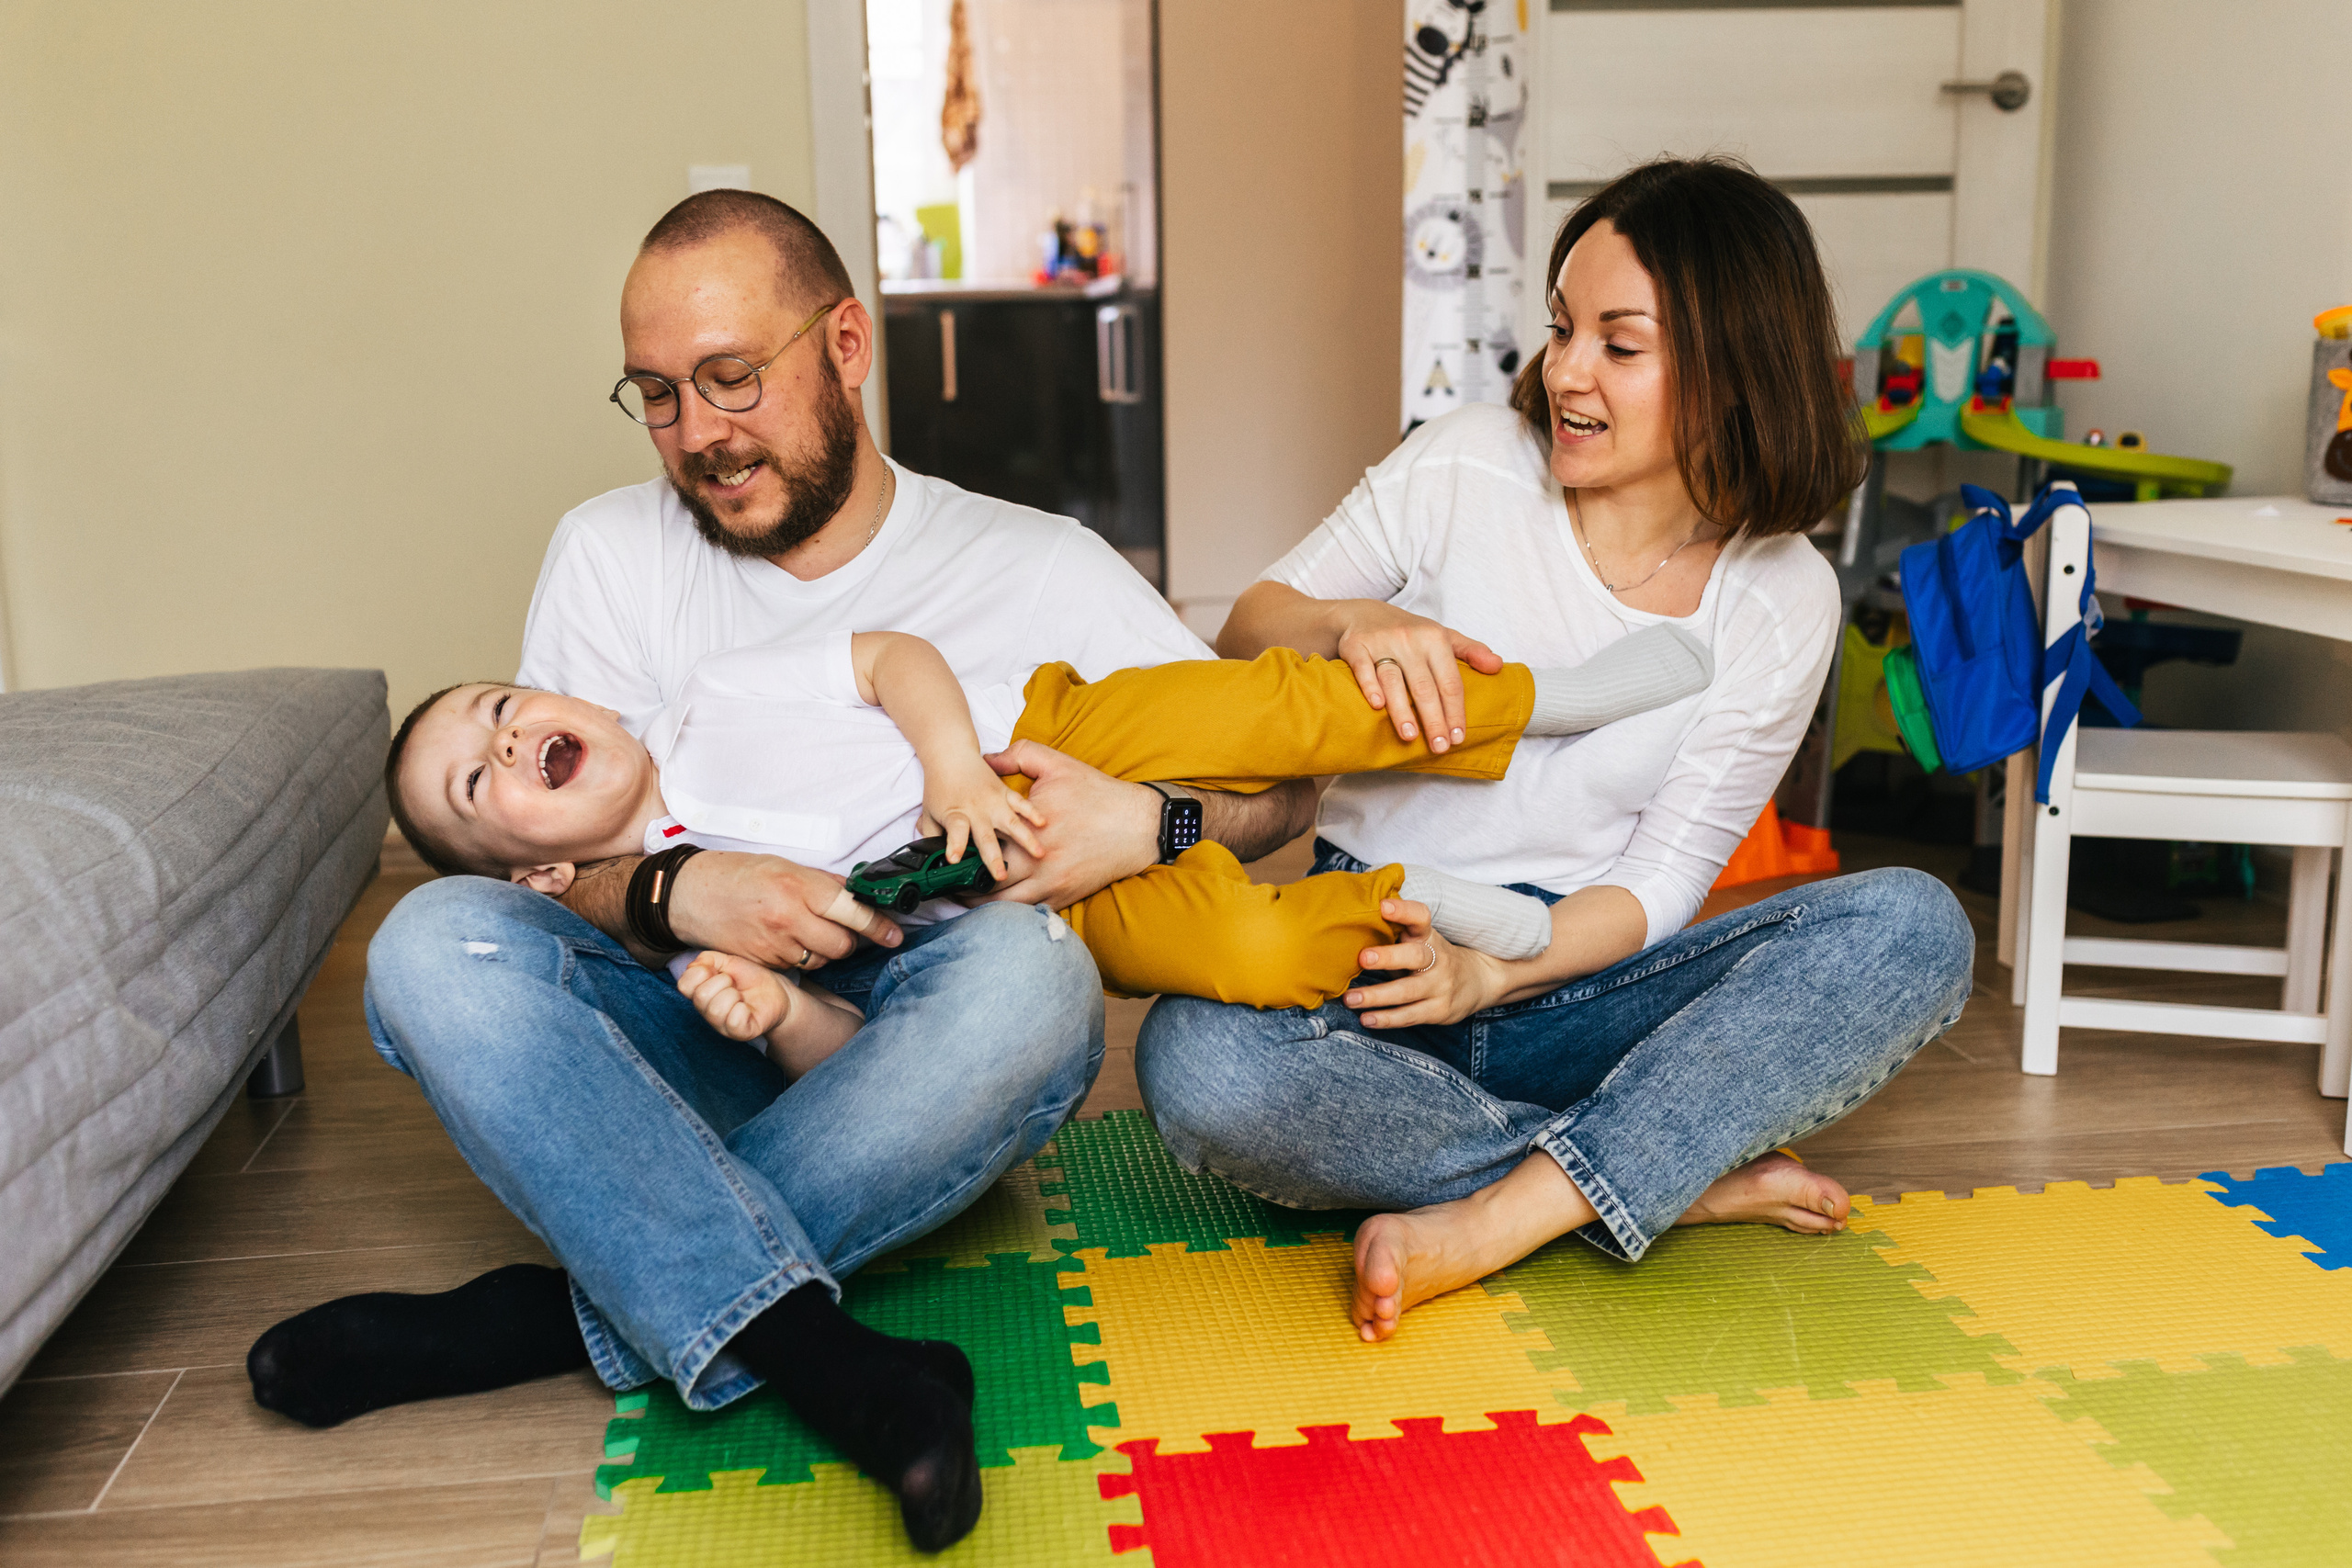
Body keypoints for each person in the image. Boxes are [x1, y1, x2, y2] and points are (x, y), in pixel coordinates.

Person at [244, 189, 1309, 1553]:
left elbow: (1284, 788)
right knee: (428, 944)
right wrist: (681, 892)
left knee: (1035, 976)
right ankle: (823, 1355)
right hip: (681, 1024)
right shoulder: (609, 553)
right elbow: (538, 868)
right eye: (657, 395)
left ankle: (551, 1315)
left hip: (908, 1047)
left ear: (846, 346)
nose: (697, 433)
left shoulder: (1041, 566)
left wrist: (1153, 829)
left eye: (731, 378)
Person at [1136, 156, 1976, 1347]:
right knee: (1198, 1063)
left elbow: (1663, 884)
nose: (1568, 371)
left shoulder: (1780, 595)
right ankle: (1648, 1171)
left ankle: (1502, 1216)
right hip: (1375, 948)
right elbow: (1248, 627)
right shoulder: (1467, 461)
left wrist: (1496, 977)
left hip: (1580, 980)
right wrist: (1351, 623)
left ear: (1736, 369)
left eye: (1619, 346)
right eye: (1563, 326)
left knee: (1913, 927)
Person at [383, 623, 1713, 1037]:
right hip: (1040, 902)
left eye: (499, 709)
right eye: (475, 783)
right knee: (1247, 953)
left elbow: (891, 658)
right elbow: (841, 1022)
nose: (504, 741)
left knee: (1274, 709)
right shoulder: (693, 923)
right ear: (540, 868)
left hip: (1046, 731)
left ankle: (1534, 703)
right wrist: (770, 1008)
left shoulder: (713, 692)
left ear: (567, 699)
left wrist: (954, 765)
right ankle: (1420, 905)